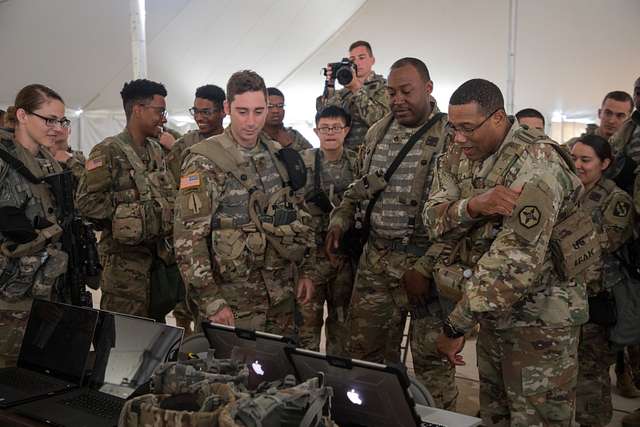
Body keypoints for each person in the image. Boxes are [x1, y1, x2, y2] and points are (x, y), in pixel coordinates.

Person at [429, 79, 593, 426]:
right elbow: (432, 219)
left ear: (499, 118)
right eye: (453, 127)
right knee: (496, 413)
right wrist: (473, 206)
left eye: (468, 128)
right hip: (492, 314)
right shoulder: (461, 153)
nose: (458, 138)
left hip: (541, 322)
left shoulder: (538, 163)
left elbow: (512, 263)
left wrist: (454, 327)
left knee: (537, 418)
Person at [325, 57, 457, 409]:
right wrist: (339, 221)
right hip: (376, 262)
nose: (397, 99)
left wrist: (426, 268)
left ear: (428, 89)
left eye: (406, 91)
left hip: (427, 266)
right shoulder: (376, 131)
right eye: (391, 92)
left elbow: (459, 219)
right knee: (366, 359)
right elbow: (358, 188)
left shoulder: (451, 137)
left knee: (432, 365)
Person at [174, 70, 314, 336]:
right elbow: (188, 241)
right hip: (234, 305)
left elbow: (298, 215)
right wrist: (211, 302)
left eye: (259, 111)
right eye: (242, 111)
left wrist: (307, 270)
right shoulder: (205, 161)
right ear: (227, 108)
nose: (251, 121)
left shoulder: (277, 154)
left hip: (281, 299)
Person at [76, 79, 178, 319]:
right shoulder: (108, 151)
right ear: (138, 109)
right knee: (122, 342)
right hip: (124, 276)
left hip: (156, 269)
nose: (163, 118)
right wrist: (131, 212)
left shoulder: (155, 150)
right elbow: (86, 204)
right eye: (159, 111)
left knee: (154, 340)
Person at [0, 84, 72, 367]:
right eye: (49, 119)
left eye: (61, 121)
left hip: (44, 295)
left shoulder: (50, 166)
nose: (56, 128)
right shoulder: (4, 161)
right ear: (22, 115)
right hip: (8, 299)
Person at [569, 135, 633, 427]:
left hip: (597, 302)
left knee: (591, 378)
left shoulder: (616, 200)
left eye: (586, 160)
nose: (578, 165)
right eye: (574, 158)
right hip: (566, 300)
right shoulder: (568, 191)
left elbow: (607, 240)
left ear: (604, 163)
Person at [298, 105, 358, 355]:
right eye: (325, 128)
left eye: (336, 128)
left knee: (342, 324)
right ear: (316, 130)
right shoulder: (304, 163)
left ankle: (337, 377)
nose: (330, 133)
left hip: (344, 257)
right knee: (306, 326)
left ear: (346, 131)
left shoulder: (358, 163)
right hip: (311, 258)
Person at [317, 40, 390, 152]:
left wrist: (356, 88)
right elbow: (324, 117)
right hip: (346, 158)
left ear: (372, 60)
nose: (357, 63)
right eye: (353, 60)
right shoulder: (343, 93)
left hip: (374, 155)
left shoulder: (384, 87)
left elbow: (381, 122)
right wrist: (330, 85)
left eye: (361, 58)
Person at [166, 84, 226, 182]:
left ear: (223, 111)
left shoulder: (235, 144)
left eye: (206, 112)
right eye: (196, 111)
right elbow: (173, 184)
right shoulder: (184, 145)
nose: (199, 118)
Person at [566, 91, 634, 147]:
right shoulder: (574, 145)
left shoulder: (632, 150)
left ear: (629, 120)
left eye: (620, 116)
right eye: (608, 113)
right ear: (599, 113)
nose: (611, 121)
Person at [263, 87, 312, 152]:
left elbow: (314, 158)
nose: (276, 110)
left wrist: (289, 147)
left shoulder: (294, 136)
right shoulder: (253, 137)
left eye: (280, 106)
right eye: (270, 106)